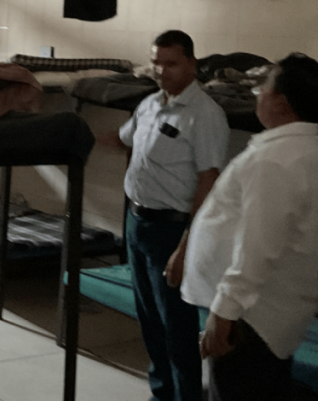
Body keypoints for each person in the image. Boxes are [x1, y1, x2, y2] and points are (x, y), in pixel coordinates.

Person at [100, 30, 230, 401]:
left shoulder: (204, 115)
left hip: (171, 230)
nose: (161, 71)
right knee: (150, 320)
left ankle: (186, 396)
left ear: (191, 64)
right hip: (137, 222)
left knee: (176, 326)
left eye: (171, 64)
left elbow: (208, 182)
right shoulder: (149, 104)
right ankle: (162, 393)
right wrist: (80, 136)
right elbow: (123, 139)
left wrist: (185, 248)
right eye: (156, 63)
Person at [183, 53, 318, 401]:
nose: (258, 95)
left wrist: (225, 311)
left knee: (239, 387)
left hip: (252, 316)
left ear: (281, 103)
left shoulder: (275, 159)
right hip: (273, 310)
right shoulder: (302, 150)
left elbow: (258, 246)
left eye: (262, 89)